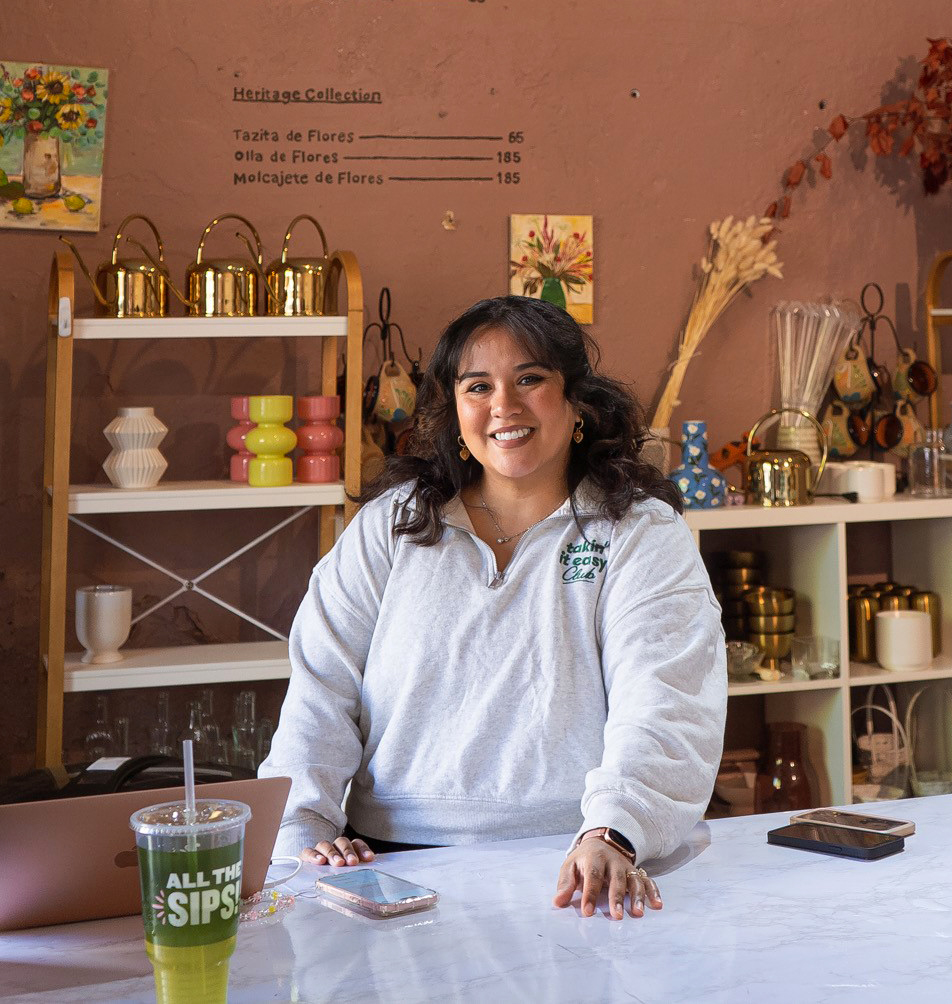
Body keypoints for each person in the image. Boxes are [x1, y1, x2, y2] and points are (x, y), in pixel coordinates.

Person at [261, 295, 726, 919]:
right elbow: (319, 692)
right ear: (455, 414)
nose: (503, 405)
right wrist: (300, 831)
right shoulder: (390, 529)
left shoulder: (638, 533)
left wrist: (615, 830)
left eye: (529, 379)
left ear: (577, 402)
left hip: (578, 863)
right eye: (478, 386)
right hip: (389, 871)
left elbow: (666, 701)